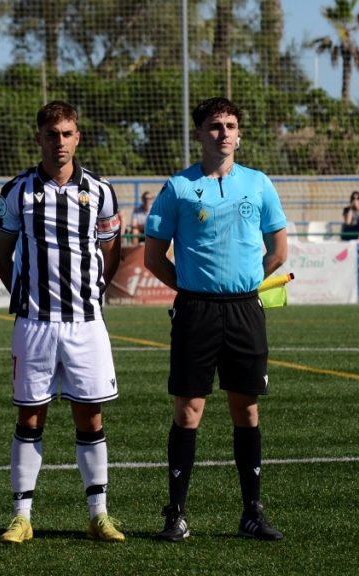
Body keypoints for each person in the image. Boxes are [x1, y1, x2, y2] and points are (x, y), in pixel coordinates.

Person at [143, 97, 287, 542]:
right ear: (199, 133)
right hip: (195, 312)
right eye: (214, 126)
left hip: (246, 310)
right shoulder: (179, 188)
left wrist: (245, 284)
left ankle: (252, 512)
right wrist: (191, 287)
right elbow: (153, 257)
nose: (223, 133)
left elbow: (278, 252)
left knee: (246, 408)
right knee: (189, 411)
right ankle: (177, 514)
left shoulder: (259, 184)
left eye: (230, 125)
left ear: (239, 134)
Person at [0, 101, 125, 545]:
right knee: (30, 418)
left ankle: (98, 514)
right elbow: (1, 253)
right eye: (52, 134)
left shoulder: (102, 192)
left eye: (67, 133)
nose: (60, 142)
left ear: (78, 137)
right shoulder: (17, 191)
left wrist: (91, 290)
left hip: (86, 323)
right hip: (34, 322)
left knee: (90, 416)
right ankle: (21, 517)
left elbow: (110, 251)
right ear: (40, 138)